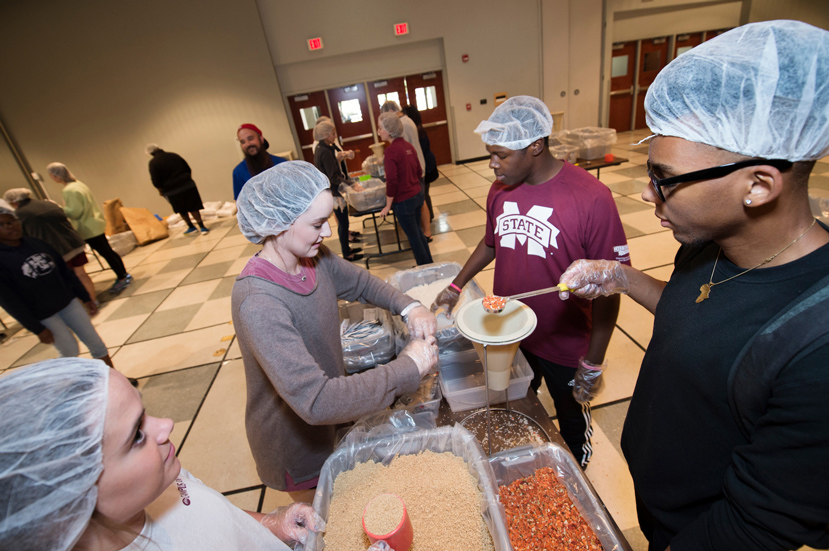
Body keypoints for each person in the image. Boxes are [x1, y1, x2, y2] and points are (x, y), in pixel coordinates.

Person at [558, 20, 829, 551]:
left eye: (666, 179)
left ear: (758, 185)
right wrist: (620, 276)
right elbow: (698, 319)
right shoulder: (713, 239)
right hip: (659, 499)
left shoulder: (816, 349)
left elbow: (751, 527)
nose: (646, 193)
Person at [431, 96, 630, 468]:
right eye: (490, 153)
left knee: (571, 418)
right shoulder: (500, 189)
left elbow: (611, 287)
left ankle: (577, 473)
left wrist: (595, 361)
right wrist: (456, 285)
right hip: (510, 331)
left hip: (565, 343)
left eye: (501, 154)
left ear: (536, 145)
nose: (492, 164)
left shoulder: (592, 198)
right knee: (516, 403)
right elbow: (492, 242)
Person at [232, 161, 439, 501]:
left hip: (332, 420)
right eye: (317, 224)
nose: (327, 233)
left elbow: (358, 282)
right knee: (326, 518)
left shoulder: (313, 257)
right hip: (297, 443)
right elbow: (316, 400)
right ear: (279, 223)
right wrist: (408, 367)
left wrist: (409, 306)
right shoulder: (258, 302)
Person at [0, 358, 324, 551]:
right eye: (137, 435)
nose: (166, 425)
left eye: (145, 413)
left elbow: (213, 516)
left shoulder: (158, 477)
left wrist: (272, 524)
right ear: (72, 500)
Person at [0, 207, 116, 370]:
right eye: (2, 224)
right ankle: (68, 383)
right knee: (70, 350)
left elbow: (65, 272)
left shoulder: (37, 244)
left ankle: (114, 380)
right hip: (44, 315)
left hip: (68, 303)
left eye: (12, 221)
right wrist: (37, 328)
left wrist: (85, 296)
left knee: (95, 342)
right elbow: (10, 301)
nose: (10, 226)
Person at [46, 162, 132, 293]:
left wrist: (59, 208)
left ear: (55, 176)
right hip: (95, 222)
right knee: (108, 252)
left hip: (87, 227)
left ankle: (122, 277)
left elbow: (74, 212)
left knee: (106, 253)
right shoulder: (78, 184)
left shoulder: (69, 190)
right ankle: (123, 275)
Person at [4, 187, 96, 301]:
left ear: (14, 202)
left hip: (56, 250)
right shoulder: (48, 204)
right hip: (74, 243)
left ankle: (81, 302)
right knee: (81, 274)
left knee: (66, 279)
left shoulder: (20, 214)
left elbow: (23, 235)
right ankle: (92, 300)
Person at [377, 112, 433, 265]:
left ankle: (425, 266)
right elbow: (418, 171)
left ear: (389, 130)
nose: (378, 131)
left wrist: (388, 205)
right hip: (416, 196)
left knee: (414, 237)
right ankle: (428, 263)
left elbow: (392, 181)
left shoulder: (390, 151)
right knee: (418, 233)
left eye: (380, 128)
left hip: (404, 201)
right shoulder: (408, 146)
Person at [313, 119, 363, 261]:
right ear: (325, 135)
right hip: (334, 193)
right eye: (333, 134)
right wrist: (351, 184)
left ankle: (347, 248)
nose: (335, 136)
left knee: (344, 223)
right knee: (343, 224)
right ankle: (347, 253)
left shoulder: (324, 148)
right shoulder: (324, 152)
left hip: (333, 191)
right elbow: (333, 177)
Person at [145, 144, 209, 235]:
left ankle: (191, 227)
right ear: (158, 148)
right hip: (188, 185)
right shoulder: (174, 155)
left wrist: (160, 191)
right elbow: (188, 168)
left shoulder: (153, 163)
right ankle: (202, 227)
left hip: (172, 190)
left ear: (150, 153)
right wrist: (187, 180)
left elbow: (156, 181)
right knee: (193, 207)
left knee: (181, 209)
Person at [402, 104, 438, 240]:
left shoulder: (416, 130)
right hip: (427, 163)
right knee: (425, 194)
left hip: (426, 165)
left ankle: (427, 223)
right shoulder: (417, 128)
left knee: (423, 195)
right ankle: (430, 217)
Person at [232, 123, 287, 200]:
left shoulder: (281, 163)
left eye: (250, 138)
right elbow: (239, 203)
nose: (248, 144)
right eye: (243, 142)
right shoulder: (238, 172)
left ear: (261, 139)